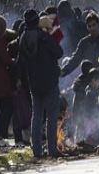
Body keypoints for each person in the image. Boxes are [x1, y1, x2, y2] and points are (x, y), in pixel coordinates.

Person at [18, 9, 64, 158]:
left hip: (34, 83)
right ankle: (52, 149)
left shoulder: (23, 38)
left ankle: (36, 150)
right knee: (51, 116)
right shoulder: (44, 37)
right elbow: (59, 52)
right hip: (49, 80)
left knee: (36, 116)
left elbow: (21, 62)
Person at [60, 12, 99, 78]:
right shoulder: (84, 43)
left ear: (98, 24)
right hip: (90, 79)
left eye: (94, 25)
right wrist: (64, 70)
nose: (92, 28)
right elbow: (75, 59)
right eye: (89, 26)